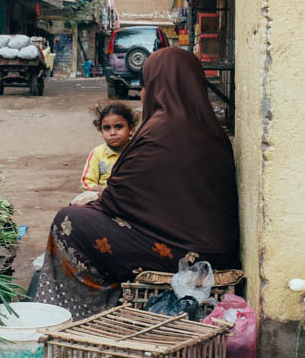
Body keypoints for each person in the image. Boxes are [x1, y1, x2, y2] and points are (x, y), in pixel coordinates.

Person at [34, 48, 239, 319]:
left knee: (69, 221)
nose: (143, 95)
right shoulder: (211, 130)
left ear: (157, 87)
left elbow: (119, 200)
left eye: (145, 86)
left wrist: (93, 202)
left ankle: (89, 312)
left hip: (186, 255)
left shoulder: (162, 131)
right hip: (217, 249)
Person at [80, 102, 138, 191]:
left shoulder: (138, 151)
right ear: (101, 130)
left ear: (131, 129)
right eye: (107, 128)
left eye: (118, 127)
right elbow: (87, 182)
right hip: (101, 198)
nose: (112, 133)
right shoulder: (97, 153)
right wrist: (102, 191)